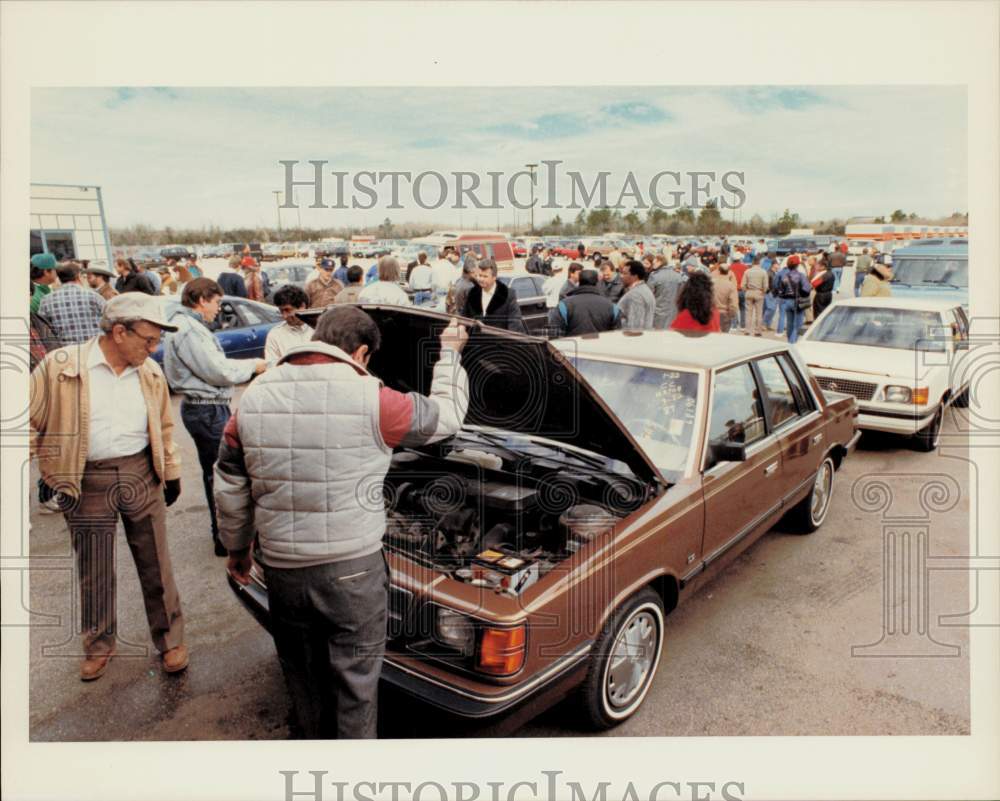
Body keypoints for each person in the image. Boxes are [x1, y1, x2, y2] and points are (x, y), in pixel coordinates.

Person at [216, 307, 470, 739]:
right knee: (354, 688)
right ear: (362, 353)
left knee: (302, 678)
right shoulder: (374, 397)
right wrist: (448, 354)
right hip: (352, 572)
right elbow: (445, 419)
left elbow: (229, 483)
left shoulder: (253, 397)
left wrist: (238, 549)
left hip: (281, 569)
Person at [29, 292, 187, 680]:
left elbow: (165, 428)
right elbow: (25, 417)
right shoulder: (61, 366)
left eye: (157, 342)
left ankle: (170, 641)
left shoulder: (149, 372)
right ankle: (99, 645)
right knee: (94, 566)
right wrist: (49, 471)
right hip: (86, 478)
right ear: (119, 332)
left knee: (156, 563)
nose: (154, 349)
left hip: (140, 471)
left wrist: (172, 471)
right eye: (148, 340)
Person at [162, 278, 266, 555]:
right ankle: (225, 538)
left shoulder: (186, 326)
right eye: (217, 303)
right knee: (222, 476)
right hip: (206, 409)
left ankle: (223, 533)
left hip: (205, 408)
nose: (218, 309)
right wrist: (254, 365)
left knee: (216, 473)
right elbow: (217, 371)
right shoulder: (188, 330)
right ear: (201, 300)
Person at [38, 261, 106, 346]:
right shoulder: (94, 296)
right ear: (78, 276)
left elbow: (43, 329)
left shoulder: (46, 301)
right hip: (94, 349)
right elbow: (109, 321)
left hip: (65, 353)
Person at [553, 268, 621, 337]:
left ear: (579, 281)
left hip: (572, 346)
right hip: (601, 346)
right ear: (597, 282)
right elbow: (617, 335)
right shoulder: (611, 306)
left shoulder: (564, 304)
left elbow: (554, 334)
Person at [462, 258, 524, 332]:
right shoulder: (472, 293)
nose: (481, 279)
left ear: (494, 277)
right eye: (479, 275)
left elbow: (515, 325)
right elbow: (464, 317)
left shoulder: (508, 295)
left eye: (485, 276)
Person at [265, 285, 314, 365]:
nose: (284, 316)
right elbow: (271, 367)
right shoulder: (275, 335)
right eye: (281, 311)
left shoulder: (319, 330)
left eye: (287, 310)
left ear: (302, 306)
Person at [774, 255, 812, 344]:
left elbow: (778, 288)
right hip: (798, 302)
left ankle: (789, 340)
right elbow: (807, 289)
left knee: (790, 324)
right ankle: (792, 343)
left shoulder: (784, 276)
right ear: (798, 265)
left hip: (786, 301)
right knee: (798, 324)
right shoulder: (801, 276)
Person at [646, 253, 684, 329]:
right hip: (674, 312)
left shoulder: (654, 276)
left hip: (659, 312)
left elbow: (648, 295)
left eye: (654, 262)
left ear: (660, 262)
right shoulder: (678, 275)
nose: (652, 265)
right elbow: (681, 294)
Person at [617, 260, 656, 330]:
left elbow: (635, 327)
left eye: (624, 273)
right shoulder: (645, 289)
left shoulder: (635, 295)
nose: (621, 276)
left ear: (635, 276)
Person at [742, 256, 770, 336]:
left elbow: (742, 285)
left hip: (749, 292)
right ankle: (758, 331)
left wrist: (746, 290)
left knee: (748, 313)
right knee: (759, 313)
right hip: (759, 292)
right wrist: (763, 292)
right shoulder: (763, 272)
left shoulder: (747, 271)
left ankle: (747, 330)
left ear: (752, 262)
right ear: (759, 263)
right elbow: (765, 286)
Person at [711, 262, 740, 333]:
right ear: (728, 272)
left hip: (713, 312)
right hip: (725, 313)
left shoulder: (711, 283)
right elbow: (733, 303)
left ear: (719, 271)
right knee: (724, 336)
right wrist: (732, 314)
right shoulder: (730, 286)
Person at [729, 257, 749, 330]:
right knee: (743, 308)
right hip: (743, 290)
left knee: (734, 308)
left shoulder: (730, 267)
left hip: (734, 290)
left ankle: (734, 325)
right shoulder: (745, 267)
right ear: (740, 259)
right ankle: (743, 326)